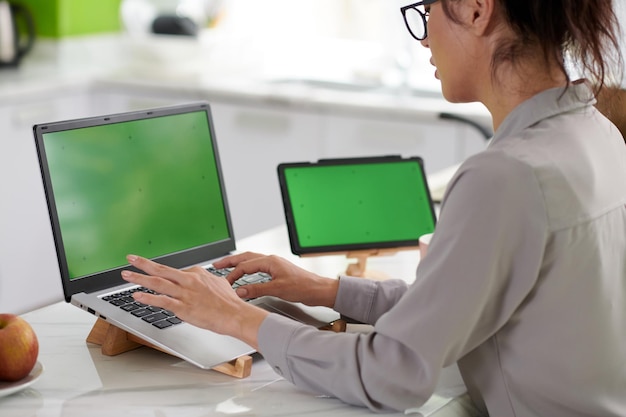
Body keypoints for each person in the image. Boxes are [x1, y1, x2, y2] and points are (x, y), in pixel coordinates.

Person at [121, 0, 626, 415]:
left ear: (476, 10)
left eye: (427, 9)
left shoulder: (505, 176)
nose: (424, 37)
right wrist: (325, 290)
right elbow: (459, 306)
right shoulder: (598, 135)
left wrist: (235, 318)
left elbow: (394, 373)